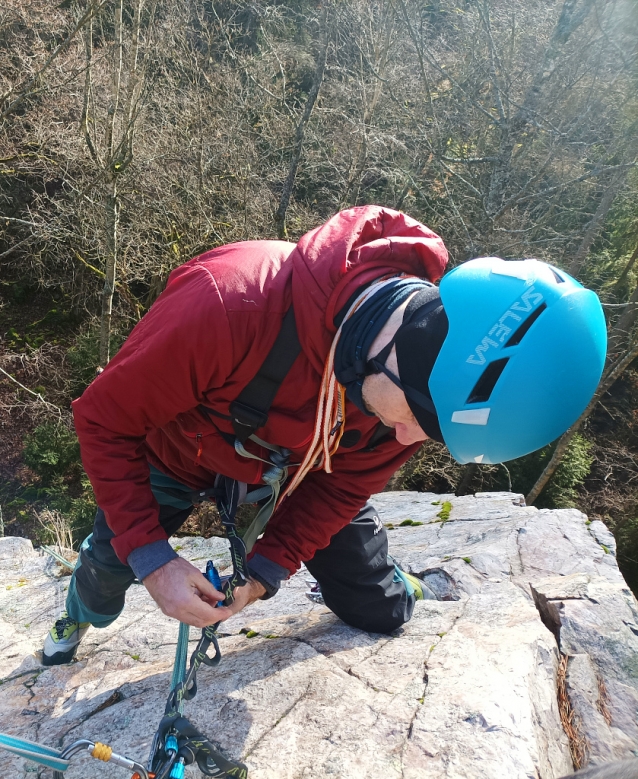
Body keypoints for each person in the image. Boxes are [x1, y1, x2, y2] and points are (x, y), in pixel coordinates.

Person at [42, 206, 607, 665]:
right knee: (112, 564)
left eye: (428, 433)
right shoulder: (229, 302)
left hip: (304, 467)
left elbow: (341, 491)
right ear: (394, 355)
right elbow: (103, 419)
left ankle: (400, 584)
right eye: (416, 416)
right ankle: (78, 613)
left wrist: (264, 574)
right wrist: (153, 558)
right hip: (177, 451)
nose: (407, 437)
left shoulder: (416, 399)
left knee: (377, 605)